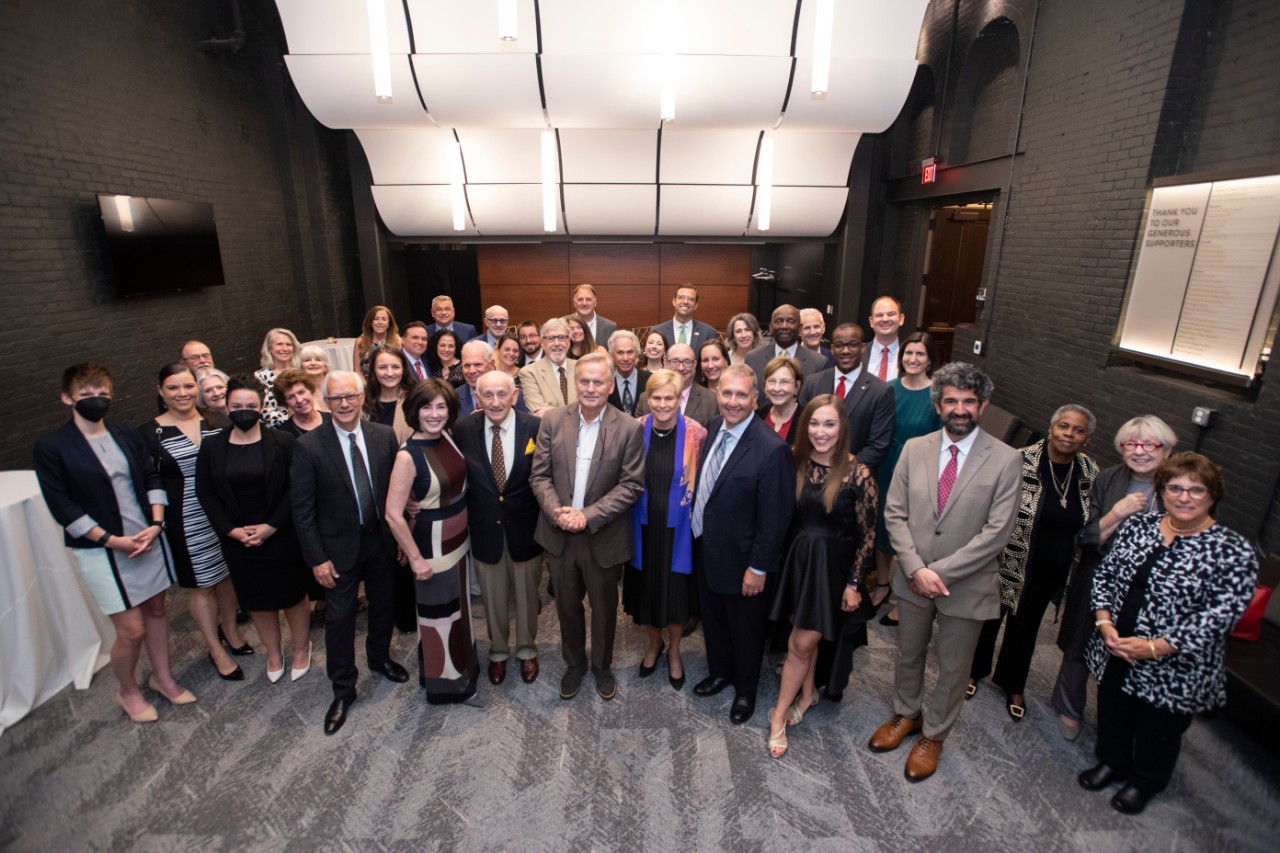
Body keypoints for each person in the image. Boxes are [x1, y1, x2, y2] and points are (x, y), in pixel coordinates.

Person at [1079, 452, 1257, 815]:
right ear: (1161, 490)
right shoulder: (1138, 526)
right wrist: (1105, 625)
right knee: (1113, 709)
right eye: (1175, 487)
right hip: (1116, 644)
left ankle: (1144, 782)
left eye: (1196, 489)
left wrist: (1155, 647)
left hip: (1175, 663)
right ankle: (1112, 761)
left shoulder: (1232, 550)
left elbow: (1220, 616)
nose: (1184, 496)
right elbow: (1105, 575)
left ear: (1213, 495)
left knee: (1157, 726)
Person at [869, 362, 1022, 782]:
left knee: (954, 667)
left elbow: (998, 532)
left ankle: (934, 734)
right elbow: (894, 513)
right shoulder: (915, 448)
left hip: (967, 586)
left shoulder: (1007, 460)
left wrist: (941, 572)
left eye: (968, 401)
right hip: (914, 578)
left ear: (983, 405)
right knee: (909, 653)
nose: (959, 409)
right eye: (951, 400)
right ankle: (906, 714)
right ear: (937, 405)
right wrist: (917, 568)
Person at [34, 362, 192, 722]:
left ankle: (162, 678)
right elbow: (62, 506)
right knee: (131, 629)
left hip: (147, 537)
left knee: (156, 611)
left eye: (102, 394)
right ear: (67, 398)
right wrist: (111, 540)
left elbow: (151, 476)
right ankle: (128, 690)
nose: (96, 400)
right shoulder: (52, 447)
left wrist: (156, 523)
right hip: (103, 550)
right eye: (86, 395)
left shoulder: (124, 433)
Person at [291, 370, 410, 735]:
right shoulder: (309, 445)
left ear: (362, 398)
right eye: (336, 398)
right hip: (335, 550)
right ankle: (343, 689)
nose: (344, 404)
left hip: (381, 541)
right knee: (340, 621)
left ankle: (379, 658)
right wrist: (317, 559)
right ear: (326, 403)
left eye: (351, 396)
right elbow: (302, 510)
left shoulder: (382, 436)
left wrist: (401, 540)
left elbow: (396, 492)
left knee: (383, 606)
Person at [969, 405, 1100, 721]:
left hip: (1051, 566)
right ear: (1052, 428)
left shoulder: (1090, 473)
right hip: (1009, 558)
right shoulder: (1019, 460)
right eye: (1063, 426)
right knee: (988, 619)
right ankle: (973, 672)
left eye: (1078, 430)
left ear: (1087, 439)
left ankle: (1013, 683)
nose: (1069, 434)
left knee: (1027, 627)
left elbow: (1091, 519)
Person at [1051, 416, 1175, 740]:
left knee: (1131, 650)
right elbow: (1086, 535)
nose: (1139, 451)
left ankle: (1123, 722)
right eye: (1130, 444)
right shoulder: (1108, 479)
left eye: (1149, 444)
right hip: (1098, 571)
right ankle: (1069, 707)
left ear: (1167, 450)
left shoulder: (1179, 485)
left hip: (1151, 587)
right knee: (1078, 642)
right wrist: (1117, 514)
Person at [530, 353, 646, 701]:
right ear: (575, 383)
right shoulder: (552, 420)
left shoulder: (628, 427)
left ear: (611, 386)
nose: (591, 388)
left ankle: (602, 665)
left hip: (603, 536)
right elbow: (539, 475)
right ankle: (575, 663)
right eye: (584, 381)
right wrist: (557, 512)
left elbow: (631, 485)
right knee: (566, 605)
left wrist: (587, 516)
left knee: (604, 607)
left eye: (599, 382)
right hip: (559, 534)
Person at [766, 396, 877, 757]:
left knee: (799, 644)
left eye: (829, 424)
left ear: (842, 427)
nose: (821, 432)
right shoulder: (794, 458)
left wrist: (854, 583)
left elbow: (867, 536)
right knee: (804, 634)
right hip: (797, 562)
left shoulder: (857, 472)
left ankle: (778, 716)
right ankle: (809, 691)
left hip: (830, 569)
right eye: (814, 423)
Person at [690, 365, 795, 724]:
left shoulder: (772, 449)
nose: (732, 402)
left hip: (744, 560)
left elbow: (775, 518)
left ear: (755, 399)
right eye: (726, 393)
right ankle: (720, 672)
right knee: (714, 620)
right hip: (706, 548)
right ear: (717, 395)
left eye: (741, 395)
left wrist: (758, 568)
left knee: (746, 630)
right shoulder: (714, 427)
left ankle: (746, 691)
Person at [196, 377, 312, 685]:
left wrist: (271, 526)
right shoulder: (211, 446)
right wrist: (231, 531)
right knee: (257, 600)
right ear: (226, 406)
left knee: (292, 595)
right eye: (237, 406)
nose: (243, 411)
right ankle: (274, 653)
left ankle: (301, 648)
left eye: (250, 406)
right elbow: (205, 493)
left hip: (281, 534)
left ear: (261, 407)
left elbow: (296, 489)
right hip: (238, 540)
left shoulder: (283, 442)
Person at [142, 363, 247, 681]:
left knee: (227, 577)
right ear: (161, 391)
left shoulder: (215, 420)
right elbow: (149, 482)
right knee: (203, 586)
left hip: (225, 513)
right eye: (173, 387)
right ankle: (215, 649)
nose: (182, 393)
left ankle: (231, 632)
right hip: (185, 519)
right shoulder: (149, 434)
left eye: (188, 386)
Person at [383, 379, 479, 703]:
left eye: (441, 406)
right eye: (427, 406)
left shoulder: (446, 438)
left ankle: (452, 671)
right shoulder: (408, 456)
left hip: (458, 541)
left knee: (457, 612)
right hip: (432, 549)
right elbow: (393, 514)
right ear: (415, 410)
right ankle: (449, 688)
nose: (434, 414)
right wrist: (415, 559)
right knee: (440, 619)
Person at [454, 371, 545, 685]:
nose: (495, 402)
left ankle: (527, 649)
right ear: (477, 398)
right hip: (484, 529)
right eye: (487, 395)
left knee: (527, 596)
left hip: (525, 528)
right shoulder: (463, 428)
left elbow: (545, 474)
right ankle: (498, 653)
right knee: (492, 599)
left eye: (501, 394)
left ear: (514, 396)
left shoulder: (534, 426)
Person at [623, 369, 707, 692]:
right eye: (655, 397)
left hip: (679, 532)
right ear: (648, 398)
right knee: (648, 592)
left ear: (678, 398)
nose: (661, 403)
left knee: (675, 596)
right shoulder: (635, 429)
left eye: (668, 397)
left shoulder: (697, 434)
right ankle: (653, 644)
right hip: (642, 526)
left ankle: (674, 650)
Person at [872, 332, 942, 621]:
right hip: (886, 466)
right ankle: (881, 584)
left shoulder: (939, 394)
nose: (913, 359)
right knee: (882, 527)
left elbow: (943, 439)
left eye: (920, 354)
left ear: (930, 360)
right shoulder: (888, 388)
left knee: (911, 535)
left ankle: (906, 594)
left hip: (920, 471)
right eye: (909, 353)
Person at [797, 322, 895, 472]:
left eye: (852, 345)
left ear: (862, 348)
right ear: (832, 349)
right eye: (839, 345)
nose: (845, 350)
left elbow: (878, 445)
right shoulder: (813, 382)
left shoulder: (880, 391)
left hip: (853, 478)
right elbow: (802, 429)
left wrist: (845, 471)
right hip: (811, 472)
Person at [745, 305, 828, 406]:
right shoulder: (752, 358)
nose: (784, 326)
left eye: (791, 321)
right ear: (771, 328)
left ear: (800, 328)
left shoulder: (818, 362)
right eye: (779, 321)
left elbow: (818, 404)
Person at [635, 342, 718, 427]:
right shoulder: (645, 399)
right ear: (665, 363)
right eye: (675, 361)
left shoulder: (711, 400)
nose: (681, 368)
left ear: (694, 364)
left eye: (687, 362)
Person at [518, 317, 577, 416]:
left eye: (562, 337)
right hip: (550, 431)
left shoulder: (581, 367)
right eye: (551, 338)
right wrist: (576, 413)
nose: (557, 343)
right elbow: (536, 411)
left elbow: (591, 406)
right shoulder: (529, 372)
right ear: (542, 343)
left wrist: (550, 412)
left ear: (569, 341)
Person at [362, 345, 414, 444]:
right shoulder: (363, 403)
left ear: (403, 369)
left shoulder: (415, 401)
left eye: (395, 367)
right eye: (382, 367)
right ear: (374, 370)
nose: (390, 373)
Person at [254, 327, 301, 428]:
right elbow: (265, 412)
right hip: (279, 430)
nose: (285, 348)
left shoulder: (302, 370)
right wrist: (294, 423)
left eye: (288, 344)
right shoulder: (260, 377)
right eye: (279, 344)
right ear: (269, 348)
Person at [652, 285, 719, 350]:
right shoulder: (658, 331)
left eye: (690, 299)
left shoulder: (708, 333)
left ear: (696, 305)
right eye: (681, 297)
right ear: (674, 301)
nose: (685, 302)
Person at [273, 369, 332, 437]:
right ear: (285, 402)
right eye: (291, 397)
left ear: (310, 390)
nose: (299, 400)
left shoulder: (331, 419)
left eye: (301, 392)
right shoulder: (284, 433)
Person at [607, 330, 649, 417]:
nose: (625, 358)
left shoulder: (651, 380)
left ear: (637, 353)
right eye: (620, 353)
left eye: (630, 352)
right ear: (611, 355)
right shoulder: (605, 382)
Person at [865, 296, 905, 381]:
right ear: (871, 321)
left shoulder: (910, 356)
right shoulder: (858, 354)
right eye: (879, 315)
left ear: (901, 319)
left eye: (891, 314)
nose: (885, 319)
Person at [353, 305, 401, 376]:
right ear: (370, 322)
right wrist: (367, 386)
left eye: (384, 319)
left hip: (390, 380)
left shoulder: (397, 341)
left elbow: (400, 367)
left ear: (389, 324)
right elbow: (357, 370)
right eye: (376, 319)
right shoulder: (360, 342)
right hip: (366, 384)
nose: (380, 322)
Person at [456, 339, 493, 417]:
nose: (471, 371)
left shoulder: (509, 394)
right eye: (467, 365)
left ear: (491, 365)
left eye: (477, 364)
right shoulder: (454, 397)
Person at [297, 345, 332, 411]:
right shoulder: (298, 393)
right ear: (301, 367)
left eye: (318, 360)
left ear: (326, 366)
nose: (313, 363)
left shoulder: (335, 387)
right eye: (307, 360)